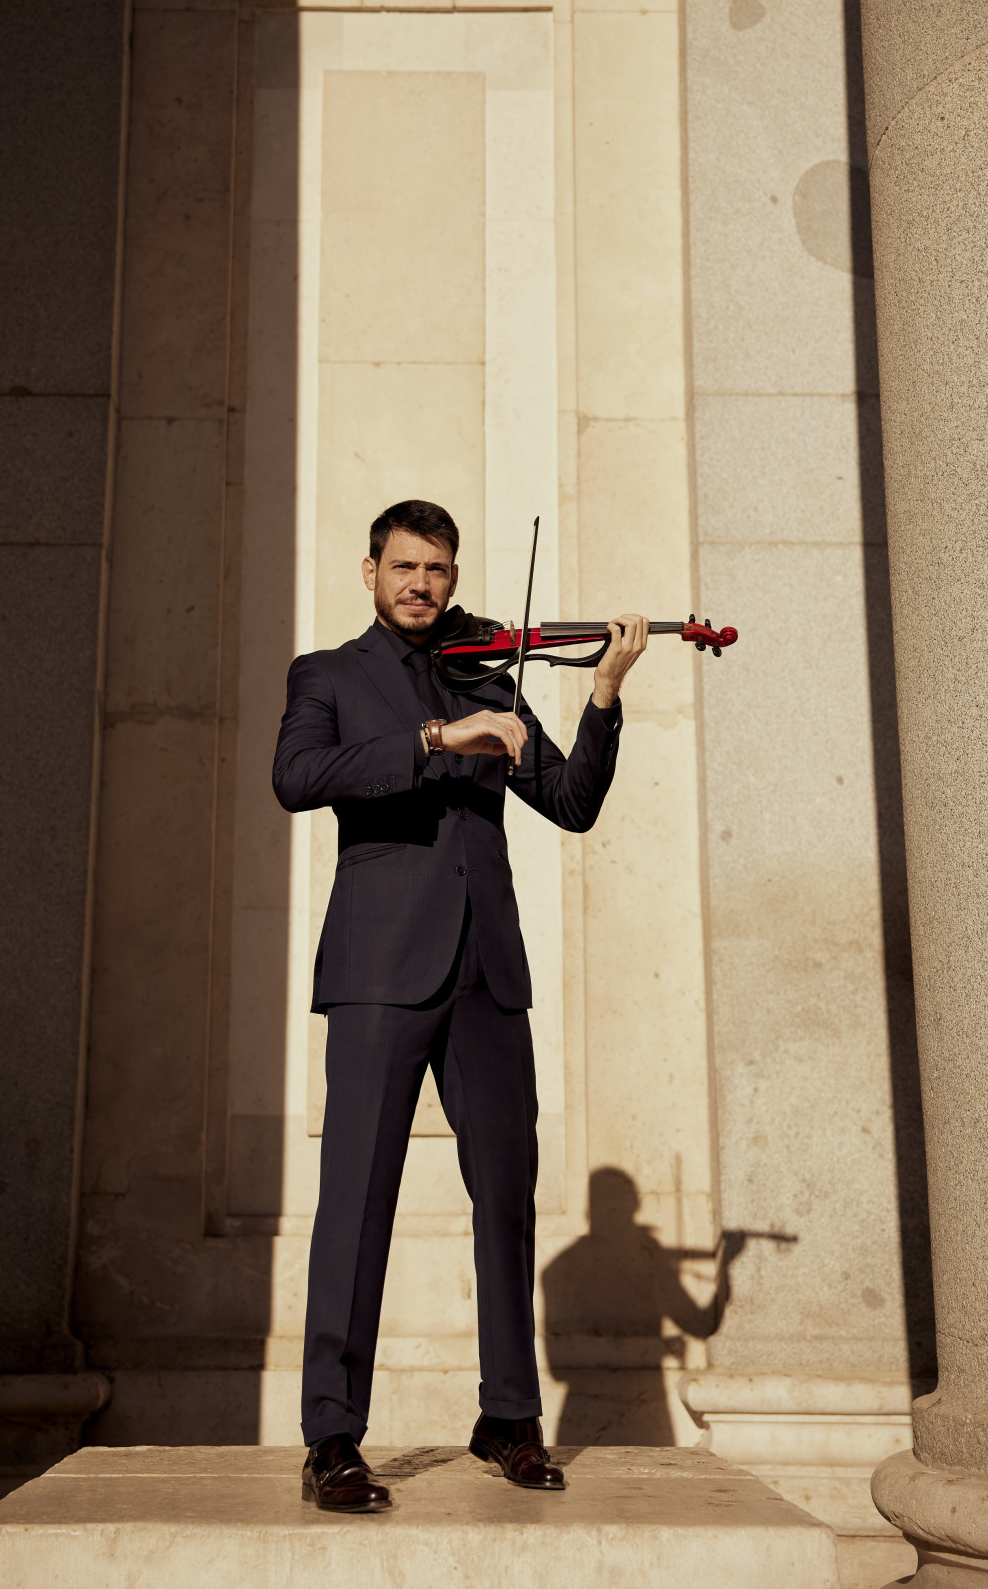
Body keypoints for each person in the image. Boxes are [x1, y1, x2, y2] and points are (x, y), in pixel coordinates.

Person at [272, 499, 648, 1513]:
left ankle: (508, 1416)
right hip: (378, 970)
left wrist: (603, 693)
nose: (421, 584)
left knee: (506, 1197)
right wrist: (440, 735)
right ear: (371, 571)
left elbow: (570, 802)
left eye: (436, 568)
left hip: (486, 970)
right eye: (404, 566)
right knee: (355, 1200)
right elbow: (297, 776)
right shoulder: (328, 674)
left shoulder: (489, 676)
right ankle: (331, 1436)